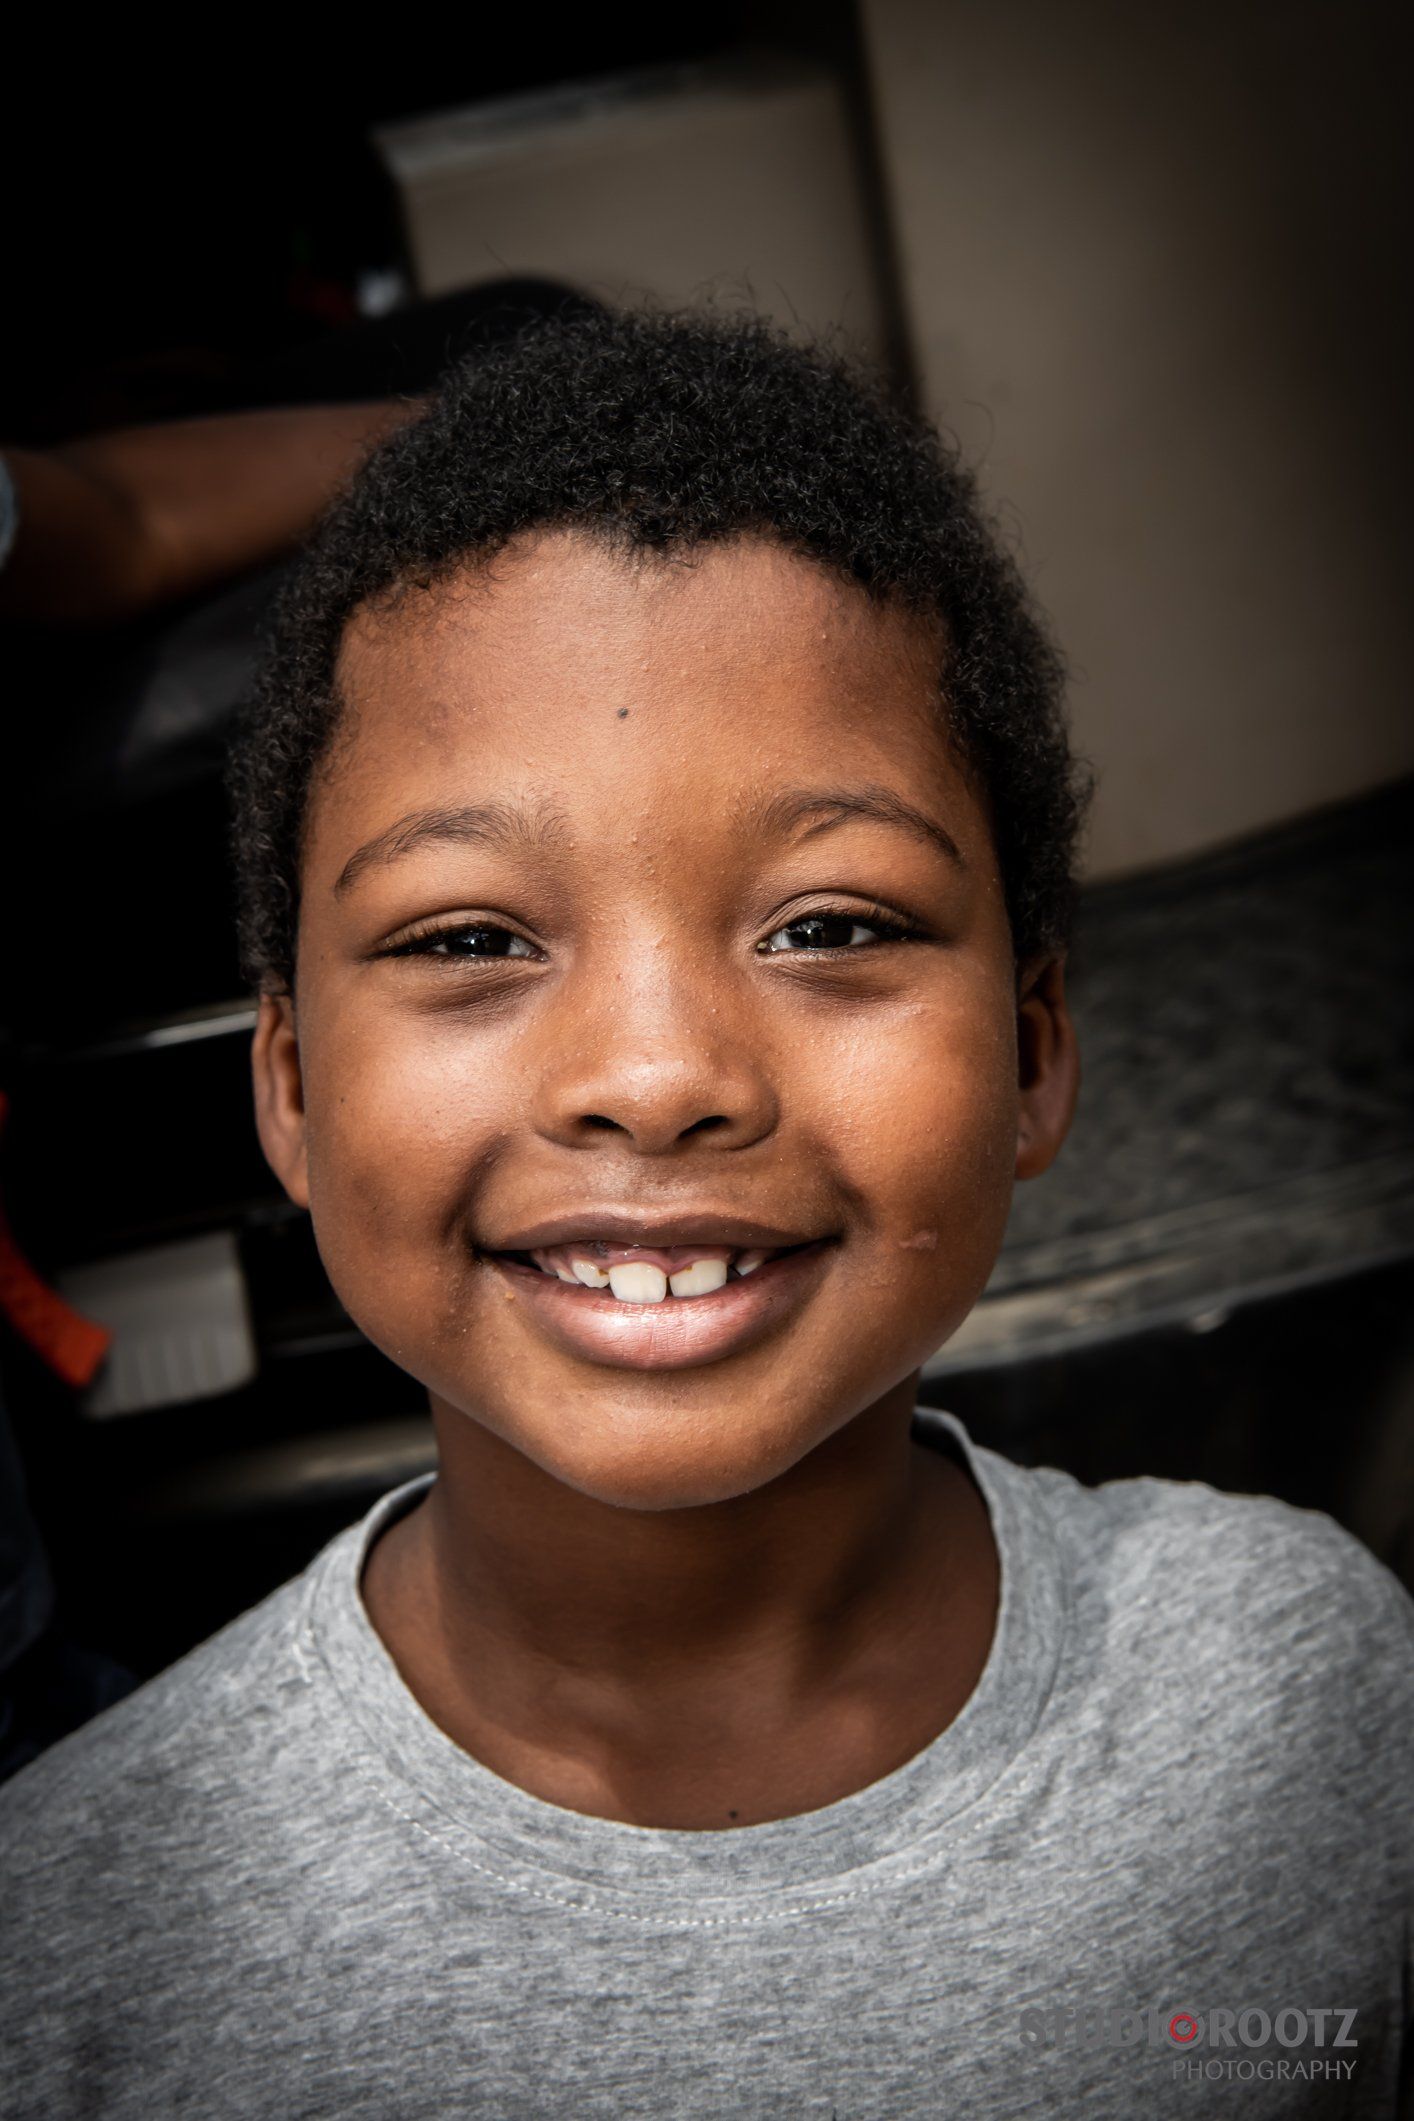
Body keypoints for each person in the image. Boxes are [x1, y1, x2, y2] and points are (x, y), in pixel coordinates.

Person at [0, 304, 1408, 2118]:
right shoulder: (70, 1943)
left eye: (828, 924)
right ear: (287, 1084)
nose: (657, 1075)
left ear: (1032, 1046)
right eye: (469, 936)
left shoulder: (1301, 1691)